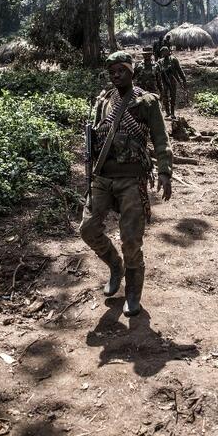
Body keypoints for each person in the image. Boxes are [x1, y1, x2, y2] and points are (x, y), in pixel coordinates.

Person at [81, 51, 173, 317]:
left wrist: (165, 171)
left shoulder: (145, 101)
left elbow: (160, 138)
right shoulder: (103, 100)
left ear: (131, 71)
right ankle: (115, 266)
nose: (116, 75)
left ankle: (133, 292)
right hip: (102, 177)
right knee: (88, 229)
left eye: (120, 70)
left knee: (131, 239)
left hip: (131, 179)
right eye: (111, 71)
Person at [154, 46, 188, 120]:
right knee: (165, 96)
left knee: (173, 96)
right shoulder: (160, 61)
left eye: (165, 51)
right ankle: (167, 112)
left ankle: (172, 112)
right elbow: (156, 71)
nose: (164, 53)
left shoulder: (173, 60)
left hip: (173, 80)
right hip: (164, 81)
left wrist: (183, 79)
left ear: (168, 52)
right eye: (162, 51)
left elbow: (179, 70)